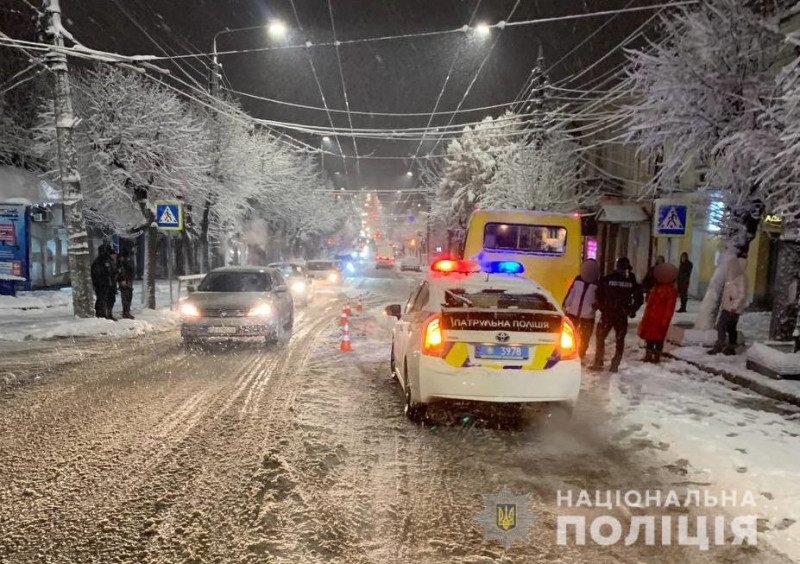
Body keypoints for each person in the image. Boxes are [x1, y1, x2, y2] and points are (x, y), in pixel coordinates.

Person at [590, 257, 644, 373]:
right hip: (621, 315)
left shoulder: (608, 279)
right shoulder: (631, 281)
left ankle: (598, 362)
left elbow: (599, 294)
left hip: (608, 314)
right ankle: (615, 364)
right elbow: (639, 298)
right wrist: (631, 310)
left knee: (600, 336)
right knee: (620, 340)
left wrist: (601, 306)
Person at [638, 262, 679, 363]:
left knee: (658, 338)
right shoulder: (657, 288)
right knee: (650, 337)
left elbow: (670, 307)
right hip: (652, 318)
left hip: (660, 318)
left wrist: (665, 320)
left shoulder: (670, 290)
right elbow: (649, 304)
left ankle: (656, 356)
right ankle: (649, 355)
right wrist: (646, 316)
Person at [708, 257, 748, 356]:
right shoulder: (732, 276)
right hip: (727, 306)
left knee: (725, 326)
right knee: (728, 327)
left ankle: (723, 346)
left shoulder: (741, 277)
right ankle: (729, 346)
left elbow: (742, 294)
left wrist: (734, 306)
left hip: (733, 309)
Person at [562, 258, 600, 361]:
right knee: (570, 334)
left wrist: (594, 307)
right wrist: (565, 305)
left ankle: (580, 354)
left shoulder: (597, 283)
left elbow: (599, 299)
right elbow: (571, 293)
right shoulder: (578, 279)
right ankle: (570, 353)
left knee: (585, 337)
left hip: (587, 315)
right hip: (573, 313)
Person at [90, 243, 118, 320]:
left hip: (110, 284)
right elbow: (97, 274)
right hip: (102, 285)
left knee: (111, 299)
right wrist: (102, 282)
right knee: (102, 299)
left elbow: (113, 271)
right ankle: (101, 315)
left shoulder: (109, 261)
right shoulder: (98, 262)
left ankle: (109, 314)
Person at [117, 246, 135, 320]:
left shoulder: (129, 257)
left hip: (129, 279)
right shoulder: (122, 259)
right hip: (124, 280)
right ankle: (125, 312)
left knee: (129, 295)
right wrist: (122, 280)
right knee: (125, 296)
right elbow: (121, 270)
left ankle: (127, 311)